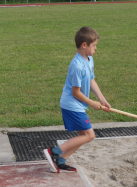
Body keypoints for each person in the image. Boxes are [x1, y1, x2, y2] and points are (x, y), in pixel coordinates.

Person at [43, 26, 111, 173]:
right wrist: (92, 103)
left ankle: (61, 160)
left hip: (77, 105)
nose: (96, 49)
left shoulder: (89, 59)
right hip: (71, 104)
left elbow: (92, 80)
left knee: (83, 136)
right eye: (94, 46)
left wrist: (102, 99)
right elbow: (76, 93)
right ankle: (53, 151)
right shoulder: (76, 65)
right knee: (89, 135)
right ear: (84, 45)